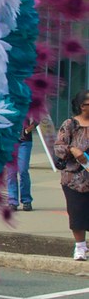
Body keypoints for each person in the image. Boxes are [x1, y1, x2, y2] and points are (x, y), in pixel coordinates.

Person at [53, 90, 89, 262]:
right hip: (74, 178)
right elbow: (59, 147)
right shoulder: (70, 124)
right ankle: (80, 247)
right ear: (82, 106)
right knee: (77, 212)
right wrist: (73, 150)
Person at [7, 117, 37, 211]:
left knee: (23, 170)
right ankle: (13, 201)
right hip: (9, 141)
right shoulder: (5, 103)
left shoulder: (27, 103)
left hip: (25, 141)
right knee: (11, 173)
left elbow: (39, 115)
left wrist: (29, 128)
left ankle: (26, 200)